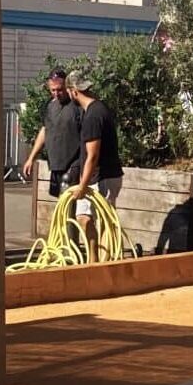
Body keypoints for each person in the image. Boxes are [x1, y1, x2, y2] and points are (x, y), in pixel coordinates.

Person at [66, 73, 124, 254]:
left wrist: (82, 185)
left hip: (101, 177)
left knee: (103, 220)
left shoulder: (93, 116)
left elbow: (93, 155)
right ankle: (94, 261)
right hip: (105, 175)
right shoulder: (100, 109)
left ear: (73, 92)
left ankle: (106, 264)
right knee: (84, 217)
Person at [19, 69, 84, 199]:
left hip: (73, 166)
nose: (56, 93)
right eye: (52, 90)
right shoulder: (50, 105)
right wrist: (31, 158)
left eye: (59, 89)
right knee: (60, 206)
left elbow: (87, 137)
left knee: (70, 204)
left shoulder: (77, 106)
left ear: (67, 86)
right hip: (56, 165)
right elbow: (45, 130)